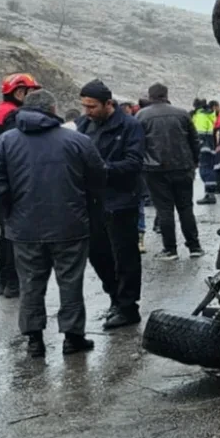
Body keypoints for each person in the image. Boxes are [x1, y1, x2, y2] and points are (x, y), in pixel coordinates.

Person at [0, 90, 106, 358]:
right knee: (71, 283)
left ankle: (34, 340)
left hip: (24, 229)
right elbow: (98, 178)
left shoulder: (4, 143)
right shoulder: (77, 140)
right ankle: (73, 338)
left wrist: (7, 215)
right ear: (53, 108)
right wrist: (87, 208)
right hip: (70, 226)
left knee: (30, 284)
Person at [76, 80, 147, 329]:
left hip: (121, 201)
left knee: (125, 256)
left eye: (92, 106)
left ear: (108, 104)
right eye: (84, 106)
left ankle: (128, 307)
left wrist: (101, 170)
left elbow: (134, 163)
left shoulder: (130, 126)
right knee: (98, 254)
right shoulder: (84, 125)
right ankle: (115, 298)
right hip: (91, 202)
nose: (88, 111)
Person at [0, 72, 42, 298]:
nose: (33, 96)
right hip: (13, 182)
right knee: (15, 235)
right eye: (30, 91)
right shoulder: (15, 116)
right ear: (19, 92)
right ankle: (13, 282)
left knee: (4, 234)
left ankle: (4, 282)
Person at [136, 83, 203, 259]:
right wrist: (195, 161)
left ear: (150, 96)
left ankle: (170, 249)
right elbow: (194, 140)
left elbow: (137, 144)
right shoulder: (182, 113)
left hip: (155, 171)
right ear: (166, 94)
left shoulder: (141, 116)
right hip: (183, 167)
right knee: (186, 208)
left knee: (164, 210)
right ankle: (194, 247)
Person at [192, 99, 218, 205]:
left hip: (204, 147)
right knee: (209, 169)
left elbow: (200, 134)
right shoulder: (210, 115)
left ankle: (210, 194)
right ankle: (210, 192)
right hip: (211, 146)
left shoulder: (200, 116)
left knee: (205, 170)